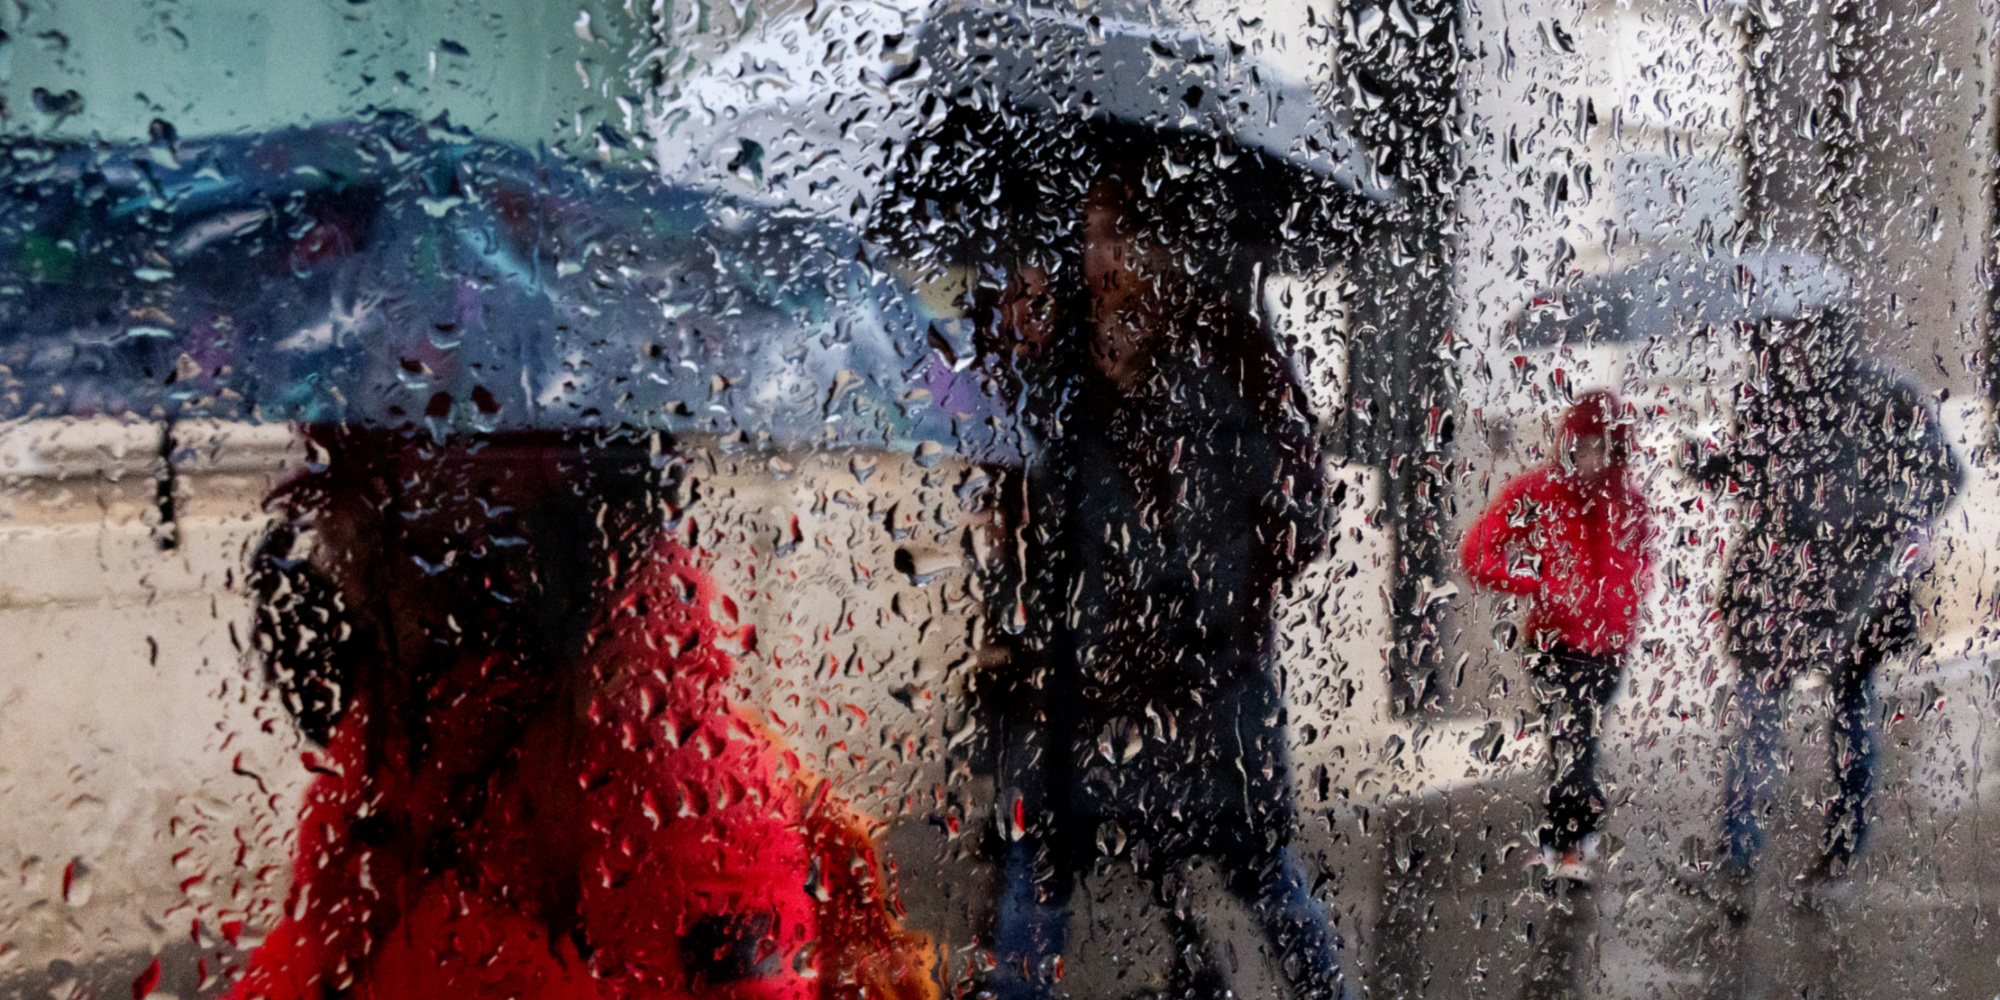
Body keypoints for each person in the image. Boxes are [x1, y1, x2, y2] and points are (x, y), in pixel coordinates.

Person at [967, 159, 1343, 1000]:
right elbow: (1007, 497)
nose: (1104, 257)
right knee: (1039, 882)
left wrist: (1217, 568)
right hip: (1077, 693)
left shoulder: (1229, 348)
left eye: (1123, 233)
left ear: (1171, 246)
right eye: (1092, 233)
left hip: (1209, 692)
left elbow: (1301, 511)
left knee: (1262, 877)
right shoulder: (1055, 351)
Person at [1688, 309, 1962, 901]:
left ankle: (1840, 857)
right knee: (1757, 719)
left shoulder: (1887, 393)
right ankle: (1736, 867)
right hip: (1775, 589)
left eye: (1794, 335)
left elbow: (1944, 478)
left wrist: (1872, 513)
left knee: (1852, 717)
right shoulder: (1766, 401)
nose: (1783, 347)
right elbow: (1756, 481)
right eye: (1773, 336)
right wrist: (1712, 467)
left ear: (1827, 334)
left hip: (1859, 594)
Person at [1460, 391, 1653, 881]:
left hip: (1609, 650)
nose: (1592, 458)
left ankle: (1565, 841)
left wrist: (1624, 612)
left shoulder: (1628, 501)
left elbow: (1642, 563)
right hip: (1554, 646)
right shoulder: (1537, 492)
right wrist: (1539, 582)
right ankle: (1569, 845)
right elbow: (1478, 551)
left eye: (1603, 447)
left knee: (1578, 743)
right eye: (1584, 445)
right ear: (1568, 443)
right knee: (1572, 743)